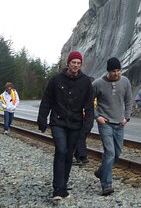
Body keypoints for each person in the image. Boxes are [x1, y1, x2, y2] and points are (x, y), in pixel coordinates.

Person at [38, 51, 95, 201]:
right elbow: (47, 100)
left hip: (76, 124)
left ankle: (63, 185)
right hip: (58, 121)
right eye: (73, 62)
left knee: (69, 154)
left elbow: (89, 105)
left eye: (78, 63)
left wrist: (88, 124)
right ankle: (57, 188)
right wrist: (42, 118)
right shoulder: (56, 80)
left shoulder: (86, 82)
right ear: (68, 63)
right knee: (61, 151)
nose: (76, 65)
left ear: (80, 65)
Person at [92, 56, 132, 196]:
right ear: (108, 71)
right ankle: (106, 185)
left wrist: (127, 116)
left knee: (117, 153)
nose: (116, 73)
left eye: (118, 70)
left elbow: (128, 100)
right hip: (106, 123)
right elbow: (89, 102)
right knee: (109, 153)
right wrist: (97, 116)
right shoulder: (97, 84)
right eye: (114, 71)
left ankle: (101, 171)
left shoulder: (125, 82)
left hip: (120, 123)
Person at [73, 69, 94, 167]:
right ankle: (81, 156)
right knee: (80, 137)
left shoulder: (90, 92)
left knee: (81, 136)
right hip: (79, 116)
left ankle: (80, 156)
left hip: (86, 116)